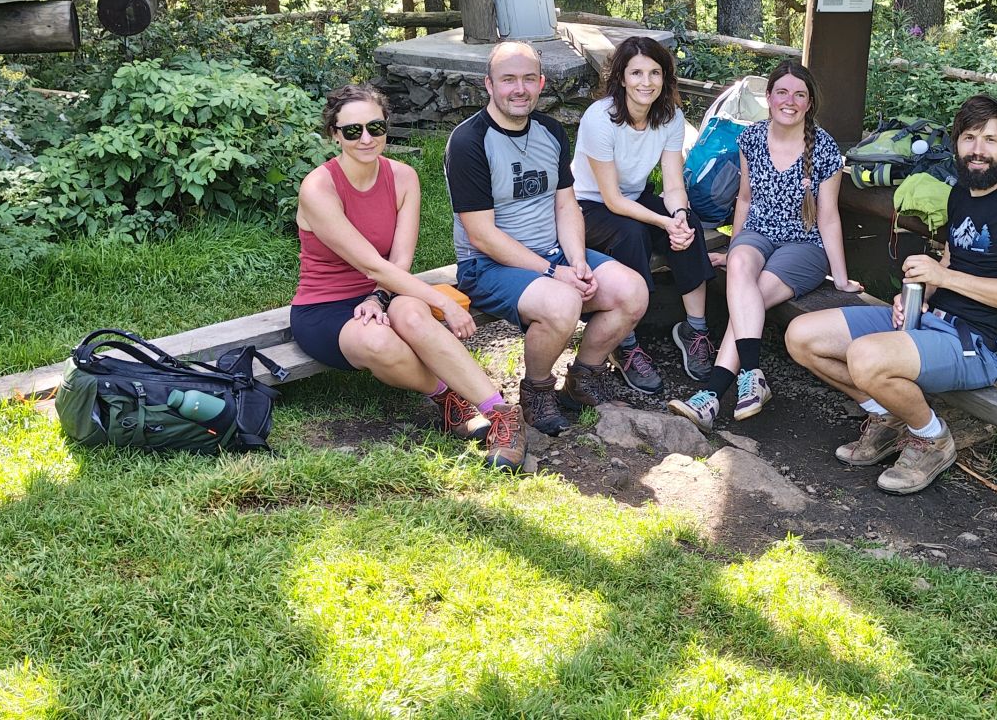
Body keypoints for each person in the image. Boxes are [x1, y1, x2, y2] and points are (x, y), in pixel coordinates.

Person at [784, 94, 997, 494]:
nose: (978, 150)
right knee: (802, 336)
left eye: (990, 140)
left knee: (866, 357)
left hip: (976, 344)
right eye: (969, 137)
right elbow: (951, 259)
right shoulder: (961, 193)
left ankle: (932, 439)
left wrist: (944, 277)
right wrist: (920, 293)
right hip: (928, 320)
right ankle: (888, 417)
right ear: (956, 143)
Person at [291, 83, 524, 470]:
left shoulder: (403, 177)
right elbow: (372, 265)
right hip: (324, 306)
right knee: (379, 341)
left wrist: (378, 297)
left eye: (375, 127)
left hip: (386, 288)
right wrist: (443, 301)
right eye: (352, 131)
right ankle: (448, 397)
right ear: (334, 135)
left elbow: (398, 261)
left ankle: (502, 415)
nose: (366, 139)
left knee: (412, 315)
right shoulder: (319, 187)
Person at [446, 41, 650, 436]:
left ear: (541, 83)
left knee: (632, 291)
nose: (519, 89)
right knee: (562, 302)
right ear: (489, 85)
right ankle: (537, 391)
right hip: (487, 265)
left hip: (553, 253)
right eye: (508, 80)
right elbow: (481, 235)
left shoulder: (550, 131)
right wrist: (554, 273)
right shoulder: (469, 141)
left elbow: (566, 205)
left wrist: (577, 260)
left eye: (528, 79)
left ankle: (583, 378)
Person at [669, 59, 855, 432]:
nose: (790, 101)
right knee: (740, 266)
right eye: (782, 92)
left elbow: (829, 217)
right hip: (758, 233)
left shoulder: (823, 147)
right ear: (768, 97)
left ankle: (712, 394)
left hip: (804, 244)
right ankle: (752, 375)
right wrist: (734, 247)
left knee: (751, 297)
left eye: (799, 95)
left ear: (809, 103)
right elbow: (744, 199)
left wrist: (840, 277)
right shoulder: (751, 138)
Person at [573, 36, 714, 390]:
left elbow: (673, 183)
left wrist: (677, 216)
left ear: (665, 78)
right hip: (588, 205)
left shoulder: (670, 117)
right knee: (631, 232)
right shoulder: (600, 119)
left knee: (689, 224)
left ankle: (694, 329)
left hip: (633, 198)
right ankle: (625, 343)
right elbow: (612, 200)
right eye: (636, 73)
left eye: (654, 73)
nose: (646, 82)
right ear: (621, 78)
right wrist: (663, 221)